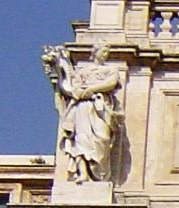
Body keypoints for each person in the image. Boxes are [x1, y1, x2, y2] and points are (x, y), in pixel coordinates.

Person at [43, 42, 125, 183]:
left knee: (103, 138)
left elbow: (111, 83)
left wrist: (91, 89)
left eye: (107, 52)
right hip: (83, 107)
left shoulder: (111, 70)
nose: (105, 54)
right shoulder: (83, 71)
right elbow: (72, 86)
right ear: (95, 52)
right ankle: (83, 173)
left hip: (99, 107)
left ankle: (99, 174)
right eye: (103, 51)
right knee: (81, 139)